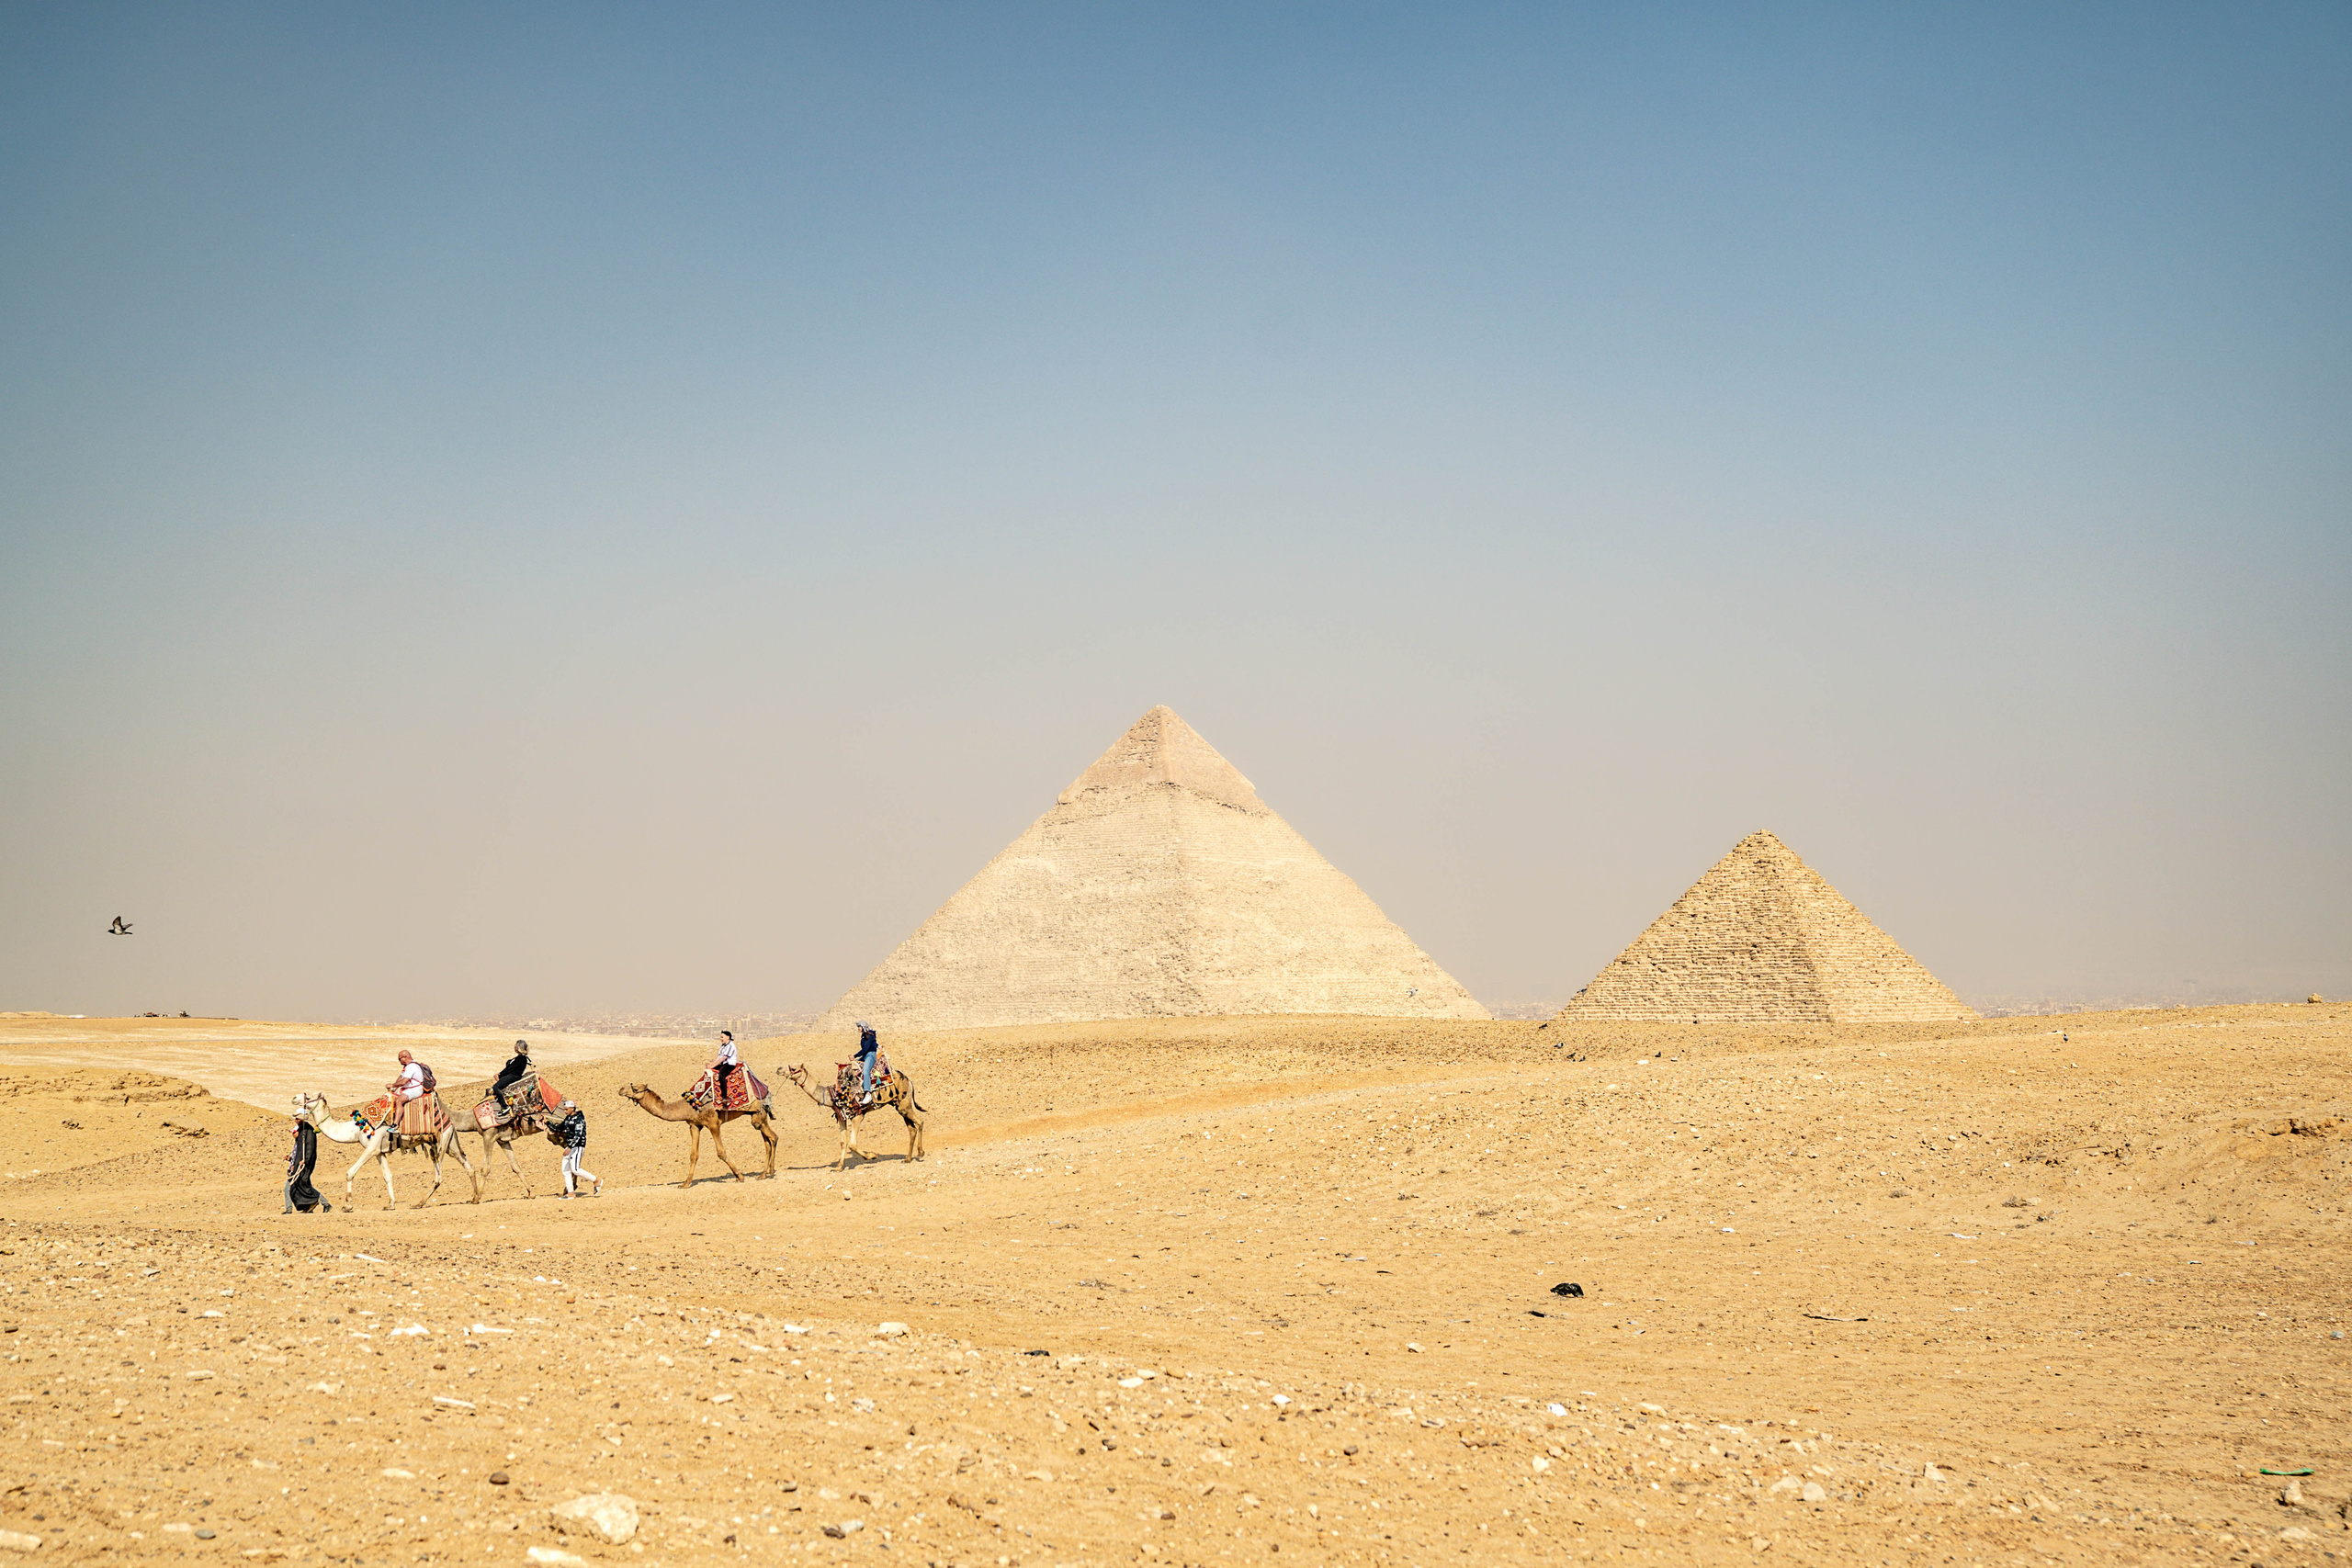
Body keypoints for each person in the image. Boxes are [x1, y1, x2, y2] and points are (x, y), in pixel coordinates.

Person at [550, 1099, 598, 1198]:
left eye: (567, 1109)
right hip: (570, 1146)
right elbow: (558, 1128)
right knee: (565, 1170)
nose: (565, 1111)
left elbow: (579, 1135)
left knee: (575, 1169)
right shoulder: (568, 1119)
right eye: (564, 1109)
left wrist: (570, 1147)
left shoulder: (579, 1119)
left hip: (578, 1146)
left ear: (572, 1109)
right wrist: (546, 1123)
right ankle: (570, 1193)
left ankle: (596, 1180)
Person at [492, 1041, 533, 1120]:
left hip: (513, 1076)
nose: (514, 1048)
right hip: (512, 1075)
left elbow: (510, 1069)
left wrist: (500, 1075)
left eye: (516, 1046)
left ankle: (504, 1107)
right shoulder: (519, 1058)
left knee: (496, 1087)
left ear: (519, 1048)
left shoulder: (521, 1059)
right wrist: (500, 1074)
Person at [711, 1030, 741, 1109]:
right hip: (723, 1063)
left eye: (722, 1037)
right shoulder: (723, 1046)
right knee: (710, 1071)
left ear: (728, 1037)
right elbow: (719, 1057)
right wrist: (712, 1065)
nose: (721, 1039)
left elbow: (723, 1058)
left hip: (729, 1065)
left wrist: (713, 1065)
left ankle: (724, 1097)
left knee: (721, 1074)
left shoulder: (731, 1046)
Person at [855, 1020, 879, 1105]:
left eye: (859, 1027)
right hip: (865, 1055)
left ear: (863, 1027)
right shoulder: (864, 1035)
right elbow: (874, 1043)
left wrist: (854, 1056)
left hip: (870, 1055)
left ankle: (868, 1093)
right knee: (854, 1066)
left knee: (866, 1072)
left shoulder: (869, 1035)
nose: (858, 1028)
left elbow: (865, 1049)